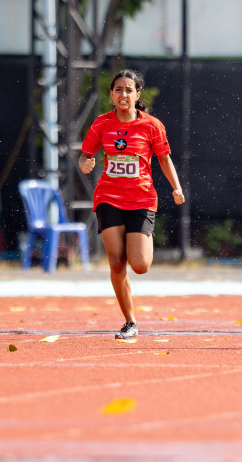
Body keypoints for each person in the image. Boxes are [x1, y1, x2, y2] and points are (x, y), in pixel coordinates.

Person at [79, 70, 184, 340]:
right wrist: (85, 163)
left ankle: (139, 241)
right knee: (116, 261)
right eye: (118, 90)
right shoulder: (101, 124)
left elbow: (164, 159)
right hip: (108, 197)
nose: (123, 94)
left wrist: (176, 187)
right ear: (111, 95)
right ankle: (129, 321)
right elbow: (85, 156)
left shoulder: (151, 125)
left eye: (128, 90)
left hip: (141, 198)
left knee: (140, 265)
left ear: (138, 95)